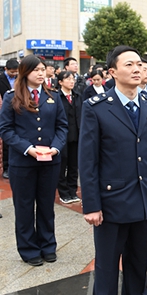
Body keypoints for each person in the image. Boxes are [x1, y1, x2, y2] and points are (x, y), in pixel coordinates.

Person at [79, 45, 147, 295]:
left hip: (144, 202)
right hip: (111, 204)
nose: (137, 68)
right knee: (107, 270)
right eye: (129, 64)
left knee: (138, 267)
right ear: (112, 72)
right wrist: (92, 205)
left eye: (139, 64)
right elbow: (88, 161)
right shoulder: (96, 107)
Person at [0, 55, 68, 266]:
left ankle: (48, 245)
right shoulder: (12, 97)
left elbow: (62, 126)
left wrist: (55, 148)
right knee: (24, 207)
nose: (40, 73)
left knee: (47, 206)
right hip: (23, 163)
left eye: (42, 69)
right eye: (35, 70)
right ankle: (29, 249)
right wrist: (28, 149)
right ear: (24, 72)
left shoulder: (53, 96)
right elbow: (6, 130)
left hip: (50, 162)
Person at [56, 71, 83, 204]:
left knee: (74, 165)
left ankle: (72, 191)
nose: (71, 81)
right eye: (68, 79)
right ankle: (63, 192)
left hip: (77, 135)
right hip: (62, 136)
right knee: (62, 164)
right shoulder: (56, 96)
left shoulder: (78, 96)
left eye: (73, 79)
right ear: (60, 82)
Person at [0, 57, 19, 179]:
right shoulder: (1, 79)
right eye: (12, 72)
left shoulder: (19, 79)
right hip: (4, 109)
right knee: (7, 139)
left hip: (18, 109)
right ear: (6, 69)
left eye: (16, 71)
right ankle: (6, 167)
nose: (14, 74)